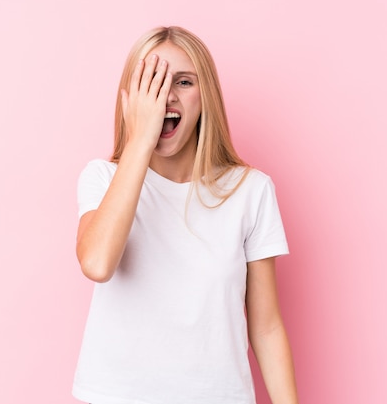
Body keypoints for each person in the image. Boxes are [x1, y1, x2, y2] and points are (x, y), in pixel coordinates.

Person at [73, 26, 299, 404]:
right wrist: (140, 139)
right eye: (152, 82)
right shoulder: (102, 178)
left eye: (182, 81)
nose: (166, 96)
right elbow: (97, 263)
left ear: (205, 96)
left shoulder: (251, 190)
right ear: (130, 100)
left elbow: (267, 327)